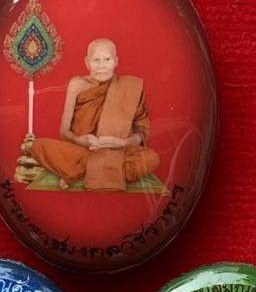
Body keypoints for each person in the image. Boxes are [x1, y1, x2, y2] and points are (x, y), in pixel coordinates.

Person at [31, 38, 160, 191]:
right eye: (96, 60)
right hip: (83, 150)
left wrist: (122, 143)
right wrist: (80, 140)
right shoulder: (76, 85)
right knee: (38, 146)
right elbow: (64, 131)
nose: (101, 66)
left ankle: (79, 170)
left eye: (107, 59)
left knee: (151, 159)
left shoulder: (131, 87)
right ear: (87, 62)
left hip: (117, 152)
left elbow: (141, 132)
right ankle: (102, 170)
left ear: (116, 61)